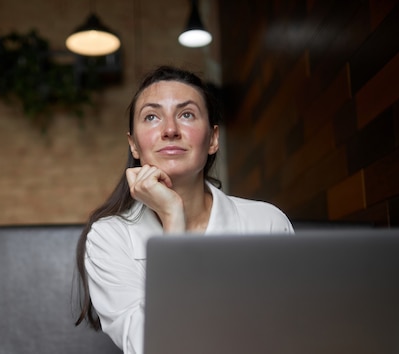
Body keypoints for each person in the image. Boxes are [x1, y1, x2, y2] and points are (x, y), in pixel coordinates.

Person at [74, 65, 294, 353]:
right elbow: (157, 348)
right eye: (152, 117)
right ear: (134, 146)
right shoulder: (109, 237)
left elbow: (287, 336)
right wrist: (172, 217)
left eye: (186, 114)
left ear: (213, 139)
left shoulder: (267, 223)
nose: (169, 130)